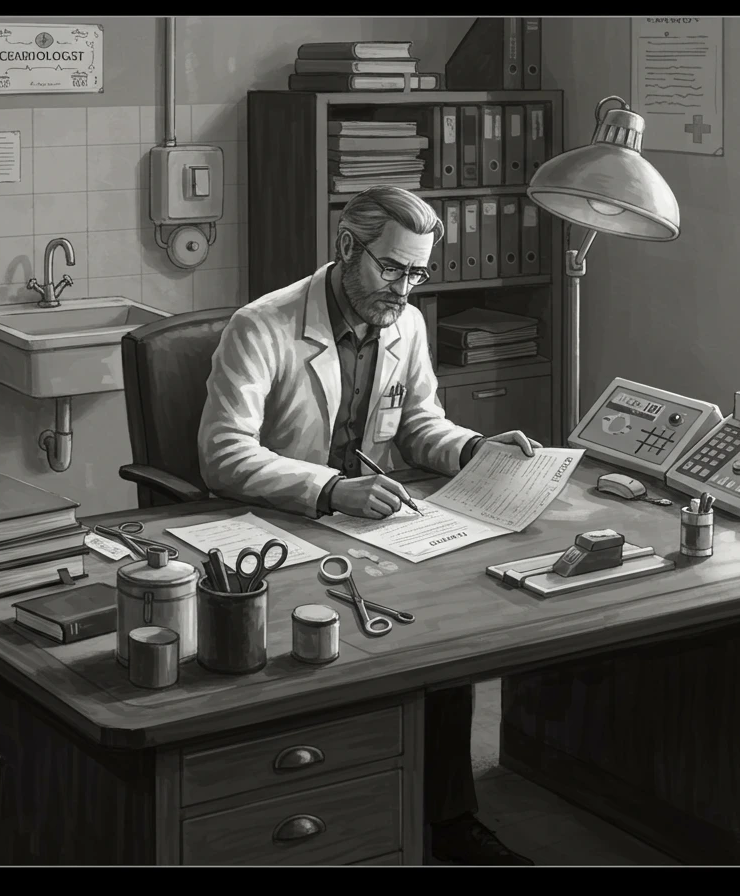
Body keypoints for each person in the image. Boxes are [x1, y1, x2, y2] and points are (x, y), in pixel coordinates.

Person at [198, 186, 539, 865]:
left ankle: (445, 818)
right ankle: (319, 817)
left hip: (375, 525)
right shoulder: (262, 326)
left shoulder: (403, 324)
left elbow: (418, 427)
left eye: (417, 273)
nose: (405, 289)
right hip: (284, 528)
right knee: (320, 652)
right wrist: (330, 490)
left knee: (446, 636)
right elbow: (223, 454)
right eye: (392, 269)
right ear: (346, 247)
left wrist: (473, 449)